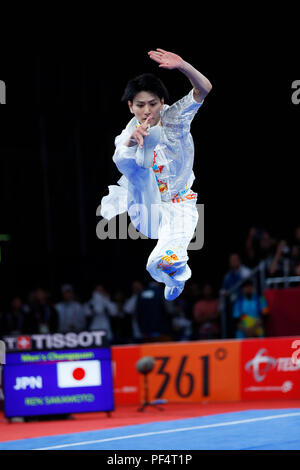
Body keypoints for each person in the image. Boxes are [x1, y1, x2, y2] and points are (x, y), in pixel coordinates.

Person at [101, 48, 212, 302]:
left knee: (159, 261)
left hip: (181, 205)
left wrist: (183, 65)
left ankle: (176, 275)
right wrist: (132, 141)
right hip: (145, 207)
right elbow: (119, 155)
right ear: (131, 107)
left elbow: (204, 88)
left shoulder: (176, 118)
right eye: (140, 105)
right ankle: (142, 153)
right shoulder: (127, 132)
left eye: (153, 104)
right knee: (129, 161)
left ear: (163, 102)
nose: (147, 111)